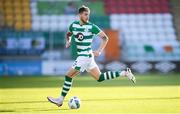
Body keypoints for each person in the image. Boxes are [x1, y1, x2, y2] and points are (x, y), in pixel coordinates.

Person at [47, 5, 136, 107]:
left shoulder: (91, 27)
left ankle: (60, 100)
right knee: (100, 77)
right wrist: (68, 41)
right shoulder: (73, 25)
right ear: (80, 14)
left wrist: (99, 51)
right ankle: (124, 73)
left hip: (85, 55)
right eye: (85, 14)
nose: (87, 17)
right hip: (86, 56)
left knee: (68, 76)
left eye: (88, 15)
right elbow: (68, 34)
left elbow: (105, 38)